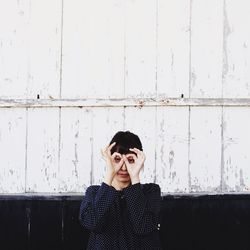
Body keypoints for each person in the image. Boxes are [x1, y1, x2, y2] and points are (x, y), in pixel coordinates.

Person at [79, 131, 162, 249]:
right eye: (117, 159)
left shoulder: (150, 191)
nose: (123, 167)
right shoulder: (94, 193)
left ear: (140, 161)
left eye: (131, 160)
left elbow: (142, 227)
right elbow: (93, 223)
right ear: (109, 160)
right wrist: (110, 174)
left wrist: (134, 177)